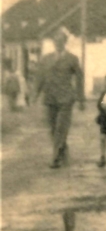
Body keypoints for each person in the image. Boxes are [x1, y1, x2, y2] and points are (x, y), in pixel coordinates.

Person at [34, 30, 85, 168]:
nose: (58, 43)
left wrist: (81, 99)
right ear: (53, 42)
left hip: (66, 98)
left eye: (61, 41)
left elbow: (79, 78)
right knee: (52, 128)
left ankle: (55, 157)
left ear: (65, 42)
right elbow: (40, 77)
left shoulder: (72, 59)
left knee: (61, 128)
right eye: (56, 41)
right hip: (50, 98)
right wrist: (35, 95)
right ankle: (62, 151)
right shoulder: (46, 59)